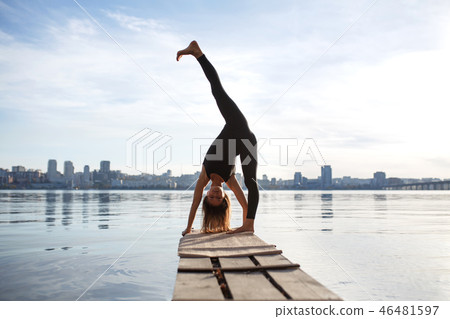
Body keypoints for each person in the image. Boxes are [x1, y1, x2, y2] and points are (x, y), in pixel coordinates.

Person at [178, 41, 259, 235]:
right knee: (251, 183)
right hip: (248, 141)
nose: (215, 194)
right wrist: (247, 218)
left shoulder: (204, 175)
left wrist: (188, 228)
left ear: (207, 195)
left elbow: (194, 202)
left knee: (217, 91)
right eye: (218, 198)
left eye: (211, 197)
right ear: (224, 197)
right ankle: (250, 225)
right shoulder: (230, 179)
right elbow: (244, 202)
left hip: (235, 124)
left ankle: (197, 53)